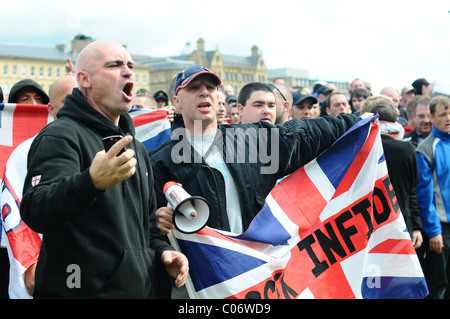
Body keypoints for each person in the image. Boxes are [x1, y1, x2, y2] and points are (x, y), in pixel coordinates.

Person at [19, 40, 188, 298]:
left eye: (130, 65)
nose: (128, 71)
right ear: (84, 79)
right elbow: (36, 209)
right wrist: (90, 182)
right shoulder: (60, 136)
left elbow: (146, 226)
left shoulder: (137, 149)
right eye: (115, 65)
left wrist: (162, 251)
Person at [150, 62, 364, 265]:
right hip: (205, 279)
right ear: (177, 101)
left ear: (218, 97)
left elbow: (305, 136)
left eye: (211, 87)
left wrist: (358, 122)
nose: (204, 92)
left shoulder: (252, 139)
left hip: (257, 272)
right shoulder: (160, 162)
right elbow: (145, 230)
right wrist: (157, 226)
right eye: (194, 87)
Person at [2, 76, 78, 299]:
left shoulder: (108, 147)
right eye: (68, 102)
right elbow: (13, 209)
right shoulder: (27, 150)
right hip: (43, 274)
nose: (78, 108)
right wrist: (30, 264)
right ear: (52, 109)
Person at [369, 100, 422, 247]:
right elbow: (412, 190)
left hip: (368, 227)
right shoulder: (408, 149)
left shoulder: (360, 147)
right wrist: (416, 226)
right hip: (400, 224)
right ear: (396, 121)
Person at [415, 95, 450, 299]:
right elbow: (424, 197)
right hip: (440, 231)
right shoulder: (426, 149)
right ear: (432, 117)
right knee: (439, 287)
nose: (448, 118)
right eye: (443, 114)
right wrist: (434, 231)